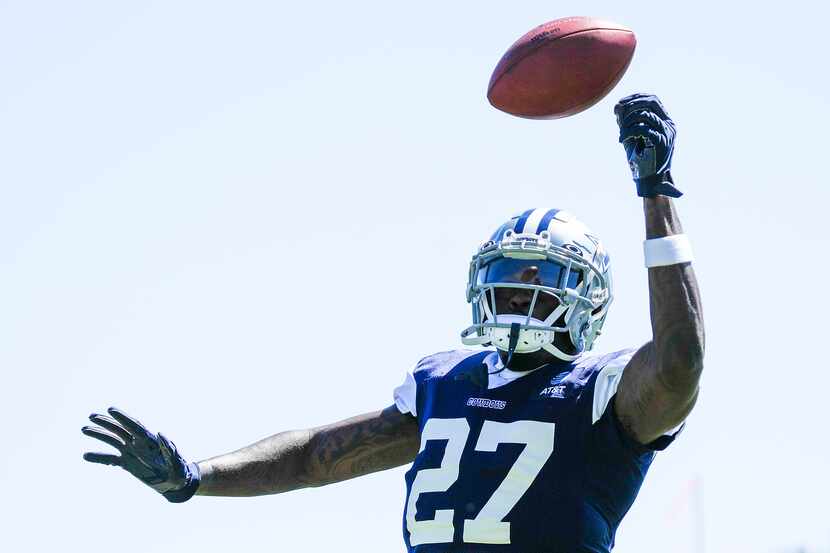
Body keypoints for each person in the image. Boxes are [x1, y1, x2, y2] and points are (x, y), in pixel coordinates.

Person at [82, 93, 704, 553]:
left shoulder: (604, 391)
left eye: (539, 277)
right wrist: (197, 476)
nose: (517, 291)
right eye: (508, 273)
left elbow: (680, 360)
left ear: (587, 298)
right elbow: (314, 457)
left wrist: (656, 190)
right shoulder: (442, 382)